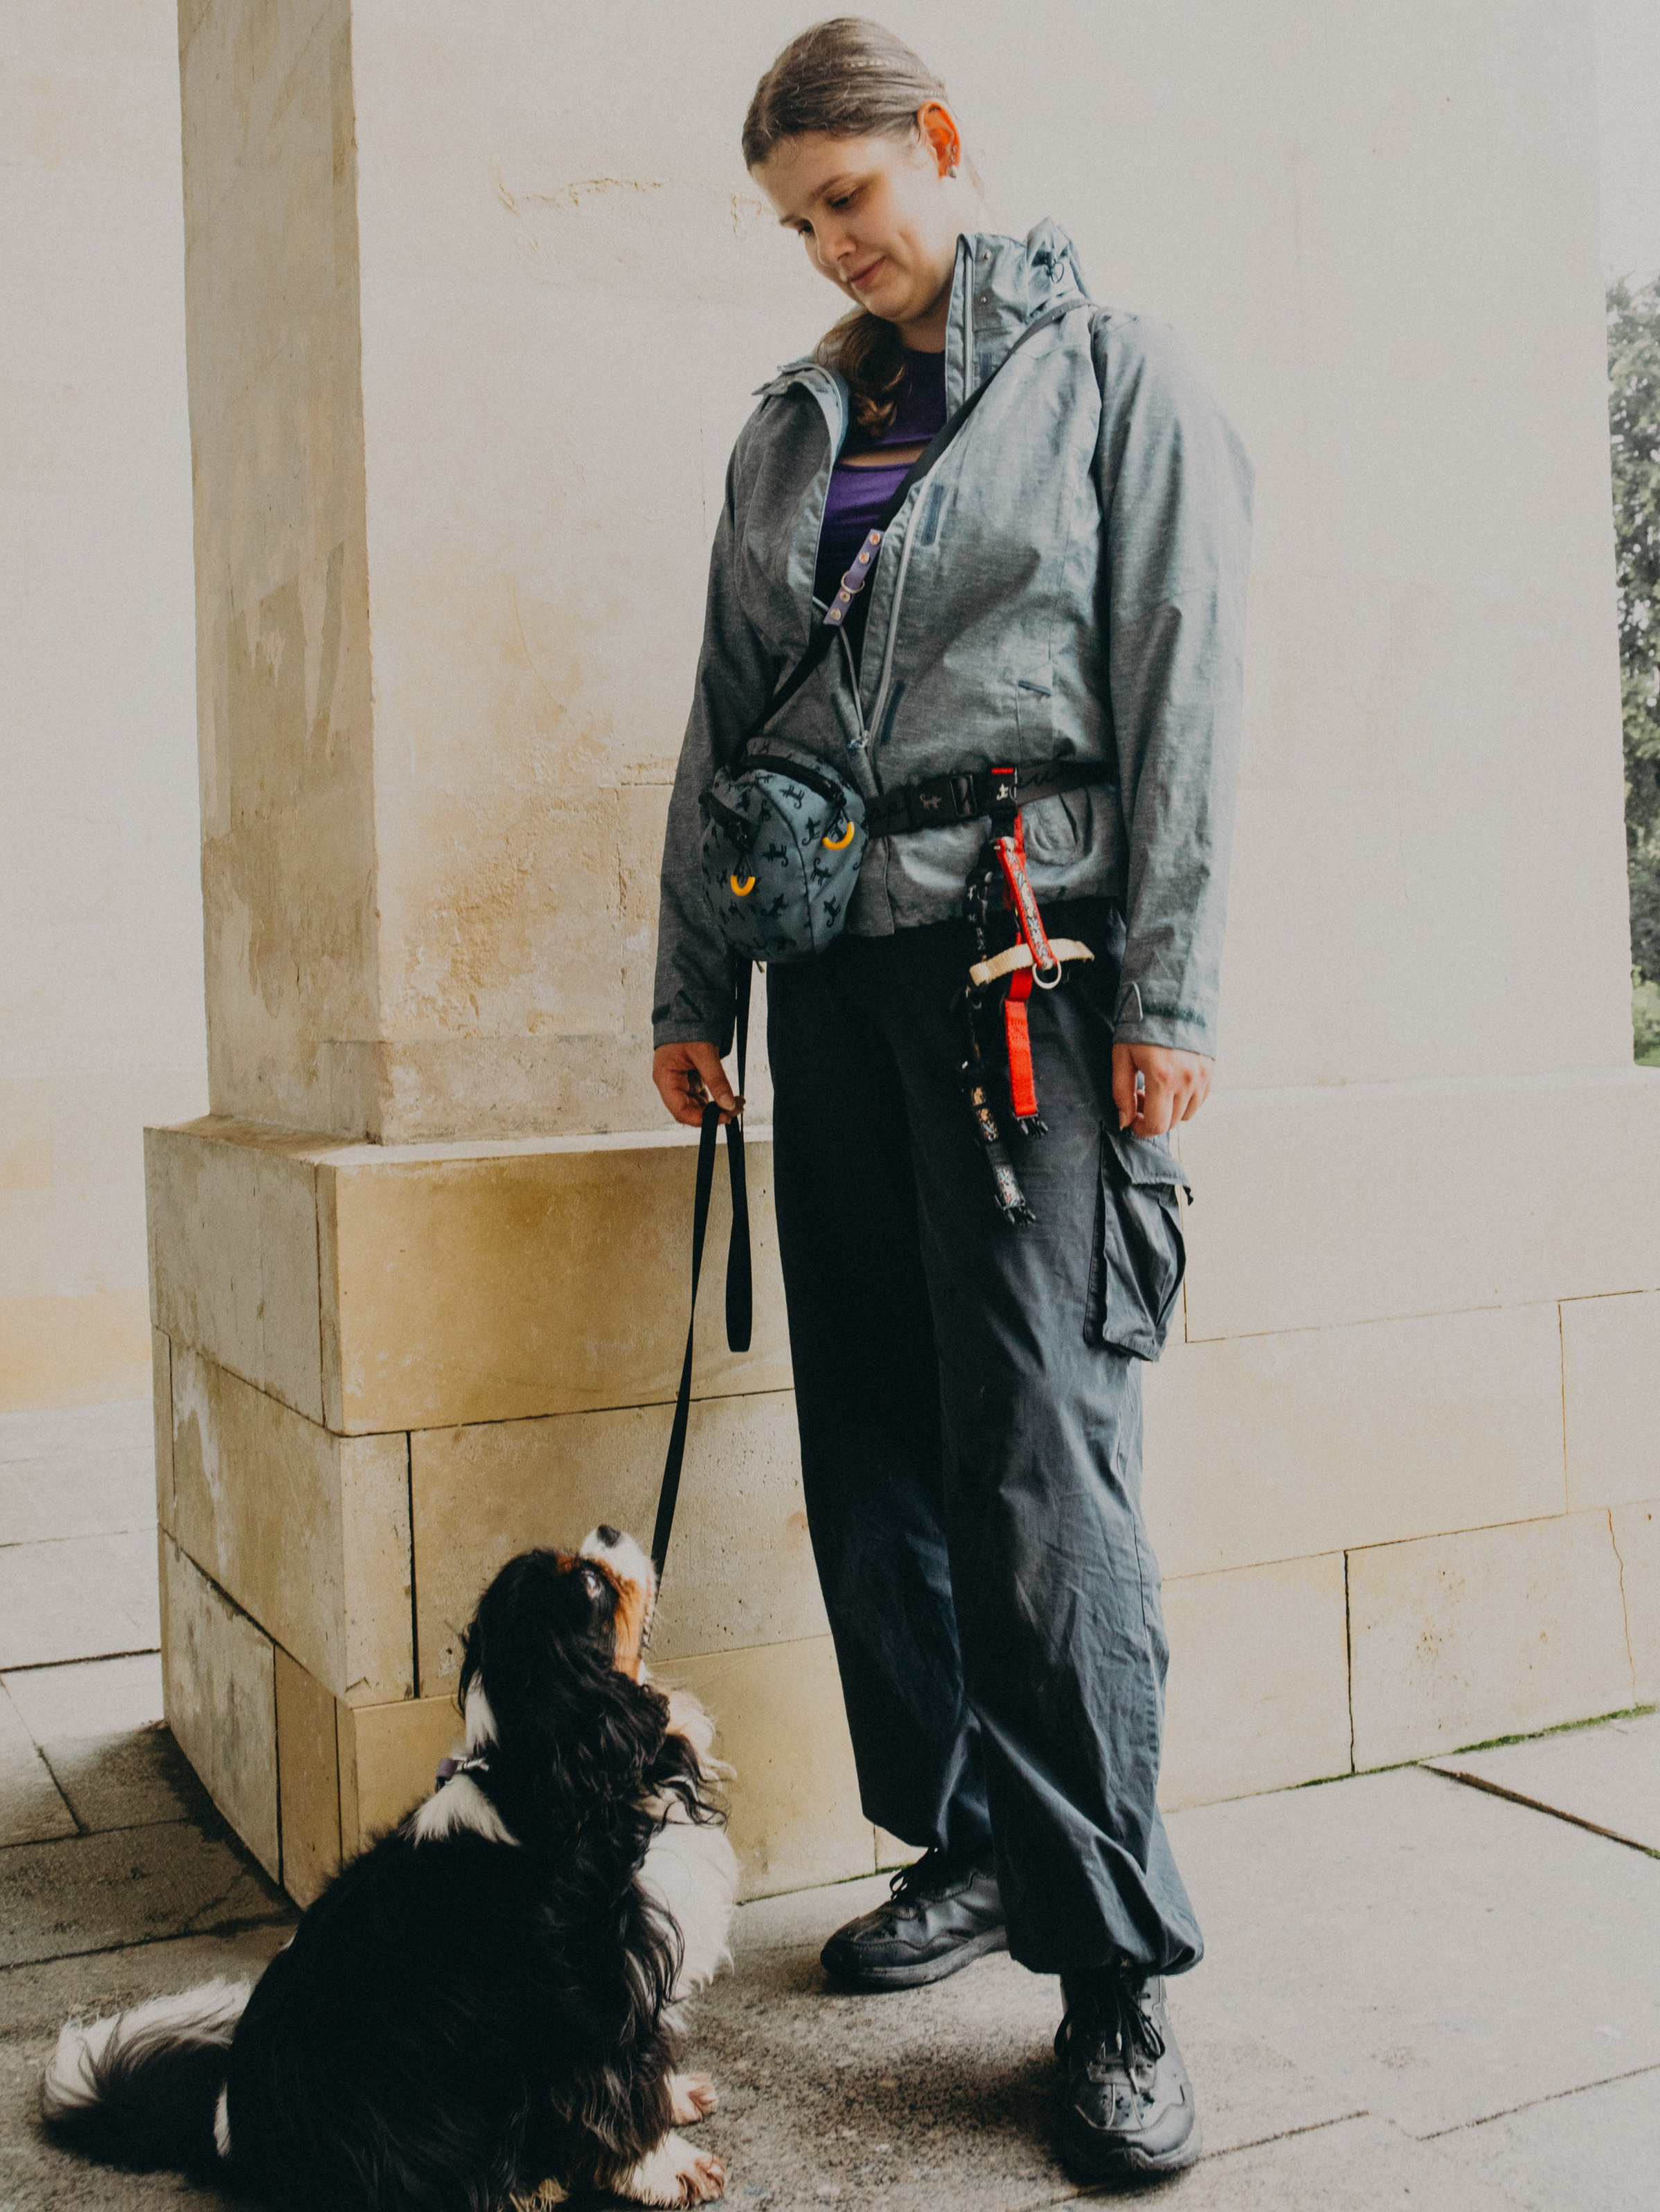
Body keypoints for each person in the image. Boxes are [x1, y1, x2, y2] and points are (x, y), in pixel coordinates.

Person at [651, 15, 1252, 2186]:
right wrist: (698, 974)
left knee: (1040, 1474)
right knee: (877, 1442)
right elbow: (724, 721)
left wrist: (1168, 987)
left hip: (1034, 979)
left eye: (854, 195)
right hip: (833, 978)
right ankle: (974, 1838)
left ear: (942, 148)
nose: (834, 243)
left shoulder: (1114, 374)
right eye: (799, 218)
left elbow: (1187, 686)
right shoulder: (790, 433)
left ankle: (1114, 1976)